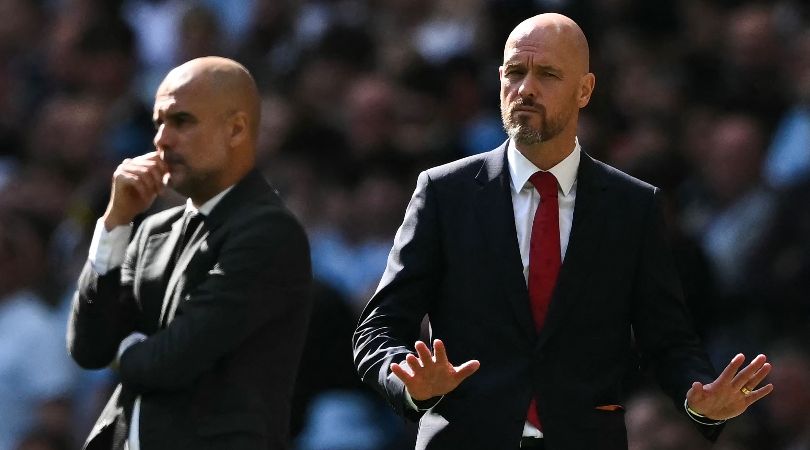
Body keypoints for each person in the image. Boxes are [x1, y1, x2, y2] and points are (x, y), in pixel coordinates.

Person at [352, 13, 773, 450]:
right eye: (515, 72)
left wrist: (699, 397)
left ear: (585, 90)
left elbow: (668, 341)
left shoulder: (632, 206)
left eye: (547, 74)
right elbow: (378, 328)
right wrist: (408, 381)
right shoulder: (443, 193)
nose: (526, 88)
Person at [67, 57, 312, 450]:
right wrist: (114, 225)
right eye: (158, 123)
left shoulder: (269, 232)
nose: (162, 140)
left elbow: (173, 361)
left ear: (235, 130)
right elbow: (89, 347)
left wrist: (126, 350)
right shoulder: (152, 231)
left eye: (181, 121)